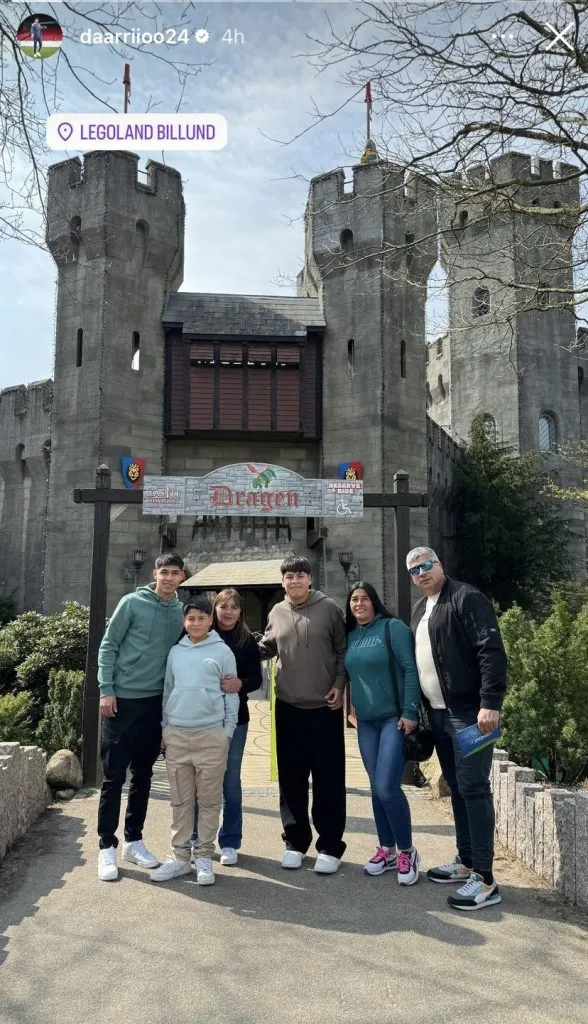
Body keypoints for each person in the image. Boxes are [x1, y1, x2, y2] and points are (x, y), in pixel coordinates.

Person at [407, 546, 507, 911]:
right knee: (459, 790)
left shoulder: (467, 597)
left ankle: (486, 879)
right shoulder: (421, 610)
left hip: (471, 714)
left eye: (427, 565)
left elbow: (490, 651)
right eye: (415, 570)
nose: (422, 573)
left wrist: (490, 702)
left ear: (440, 564)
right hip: (439, 715)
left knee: (476, 789)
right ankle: (466, 862)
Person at [97, 553, 186, 882]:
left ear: (182, 577)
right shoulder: (132, 603)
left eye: (175, 573)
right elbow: (109, 645)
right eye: (164, 572)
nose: (169, 578)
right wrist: (106, 689)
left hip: (155, 705)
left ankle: (133, 840)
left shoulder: (181, 611)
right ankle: (106, 844)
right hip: (121, 701)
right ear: (155, 574)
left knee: (144, 775)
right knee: (113, 777)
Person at [259, 555, 347, 874]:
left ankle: (330, 845)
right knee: (291, 777)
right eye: (288, 577)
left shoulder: (330, 608)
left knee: (328, 778)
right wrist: (233, 646)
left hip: (325, 706)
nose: (294, 581)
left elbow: (342, 649)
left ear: (310, 579)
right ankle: (295, 841)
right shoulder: (277, 611)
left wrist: (340, 683)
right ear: (282, 582)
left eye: (300, 576)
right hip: (287, 706)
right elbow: (267, 646)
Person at [151, 596, 239, 886]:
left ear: (210, 620)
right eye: (191, 618)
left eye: (202, 618)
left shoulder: (223, 651)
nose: (196, 623)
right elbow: (168, 691)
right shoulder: (176, 652)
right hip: (177, 735)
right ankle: (179, 858)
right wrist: (164, 729)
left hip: (211, 736)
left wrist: (227, 732)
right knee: (181, 801)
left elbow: (231, 693)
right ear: (184, 621)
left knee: (210, 801)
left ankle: (203, 857)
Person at [345, 582, 421, 884]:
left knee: (388, 787)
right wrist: (351, 706)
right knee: (376, 787)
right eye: (354, 599)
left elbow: (410, 669)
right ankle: (387, 850)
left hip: (394, 719)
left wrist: (410, 711)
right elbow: (350, 673)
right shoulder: (350, 636)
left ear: (374, 602)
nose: (359, 604)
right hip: (366, 723)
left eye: (364, 599)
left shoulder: (393, 628)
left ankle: (407, 851)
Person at [192, 588, 262, 866]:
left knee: (230, 781)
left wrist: (241, 684)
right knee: (200, 780)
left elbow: (256, 678)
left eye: (234, 607)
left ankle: (230, 840)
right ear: (215, 610)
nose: (229, 612)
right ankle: (197, 836)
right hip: (202, 717)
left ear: (240, 611)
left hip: (236, 720)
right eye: (224, 607)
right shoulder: (200, 636)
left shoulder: (246, 641)